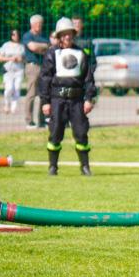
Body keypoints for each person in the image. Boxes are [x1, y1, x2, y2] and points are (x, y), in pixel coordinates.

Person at [38, 17, 96, 176]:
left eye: (69, 34)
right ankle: (53, 167)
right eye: (63, 35)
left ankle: (85, 167)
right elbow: (45, 79)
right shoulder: (52, 54)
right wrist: (45, 102)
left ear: (73, 34)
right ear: (59, 36)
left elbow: (88, 78)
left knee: (81, 133)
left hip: (77, 101)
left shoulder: (81, 54)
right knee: (55, 133)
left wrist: (89, 99)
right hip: (57, 100)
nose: (67, 37)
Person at [22, 14, 50, 129]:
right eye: (36, 23)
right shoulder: (27, 36)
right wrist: (43, 47)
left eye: (40, 23)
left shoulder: (43, 35)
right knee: (31, 94)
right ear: (31, 24)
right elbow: (32, 47)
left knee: (44, 94)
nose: (39, 25)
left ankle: (42, 120)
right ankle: (29, 121)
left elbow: (49, 48)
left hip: (44, 66)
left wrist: (40, 47)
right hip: (32, 66)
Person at [0, 29, 26, 114]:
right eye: (14, 34)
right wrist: (10, 58)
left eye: (17, 34)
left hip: (19, 70)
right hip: (8, 70)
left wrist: (21, 59)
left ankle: (14, 108)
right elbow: (0, 58)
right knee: (9, 88)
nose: (16, 36)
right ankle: (7, 104)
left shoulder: (22, 46)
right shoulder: (6, 45)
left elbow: (26, 60)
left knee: (17, 88)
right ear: (11, 36)